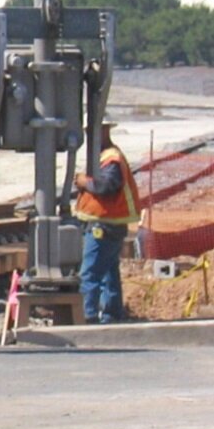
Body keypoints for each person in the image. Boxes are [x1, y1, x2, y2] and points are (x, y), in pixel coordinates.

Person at [73, 118, 141, 324]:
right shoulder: (104, 156)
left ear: (103, 131)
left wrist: (85, 182)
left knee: (90, 273)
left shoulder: (111, 158)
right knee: (109, 273)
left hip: (104, 225)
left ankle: (88, 317)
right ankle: (111, 315)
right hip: (108, 224)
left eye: (91, 130)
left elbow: (107, 187)